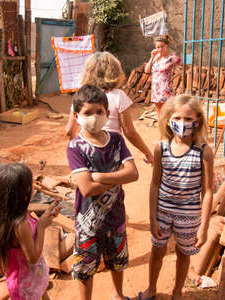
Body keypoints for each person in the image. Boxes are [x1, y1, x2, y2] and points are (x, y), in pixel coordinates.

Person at [67, 84, 139, 300]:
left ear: (108, 114)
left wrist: (99, 176)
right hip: (87, 222)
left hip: (115, 216)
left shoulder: (116, 139)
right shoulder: (75, 147)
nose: (94, 117)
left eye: (99, 112)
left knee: (118, 260)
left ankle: (118, 295)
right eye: (87, 113)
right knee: (85, 268)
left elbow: (134, 173)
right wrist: (118, 176)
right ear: (77, 116)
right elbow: (87, 189)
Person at [139, 95, 214, 300]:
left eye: (188, 119)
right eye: (177, 118)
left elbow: (207, 191)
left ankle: (177, 291)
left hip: (189, 215)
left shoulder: (204, 152)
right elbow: (155, 184)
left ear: (197, 121)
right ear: (168, 120)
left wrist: (204, 226)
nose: (182, 123)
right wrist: (152, 217)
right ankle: (152, 288)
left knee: (183, 253)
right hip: (163, 210)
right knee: (157, 250)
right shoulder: (160, 148)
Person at [65, 51, 154, 165]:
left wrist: (80, 147)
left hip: (87, 149)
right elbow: (130, 132)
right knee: (113, 179)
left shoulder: (82, 95)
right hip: (111, 149)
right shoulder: (119, 96)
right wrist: (147, 153)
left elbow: (69, 130)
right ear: (115, 72)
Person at [0, 163, 61, 300]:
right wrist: (41, 226)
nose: (34, 186)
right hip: (24, 284)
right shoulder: (20, 224)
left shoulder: (17, 213)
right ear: (23, 193)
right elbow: (33, 258)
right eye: (31, 184)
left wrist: (46, 215)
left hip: (32, 276)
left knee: (41, 291)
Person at [144, 35, 181, 118]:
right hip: (156, 89)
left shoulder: (172, 58)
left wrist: (174, 77)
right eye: (157, 47)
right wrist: (151, 57)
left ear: (166, 46)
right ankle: (161, 129)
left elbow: (186, 68)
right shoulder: (155, 57)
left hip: (166, 89)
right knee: (159, 112)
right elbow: (146, 71)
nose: (159, 49)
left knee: (167, 112)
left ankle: (168, 129)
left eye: (162, 47)